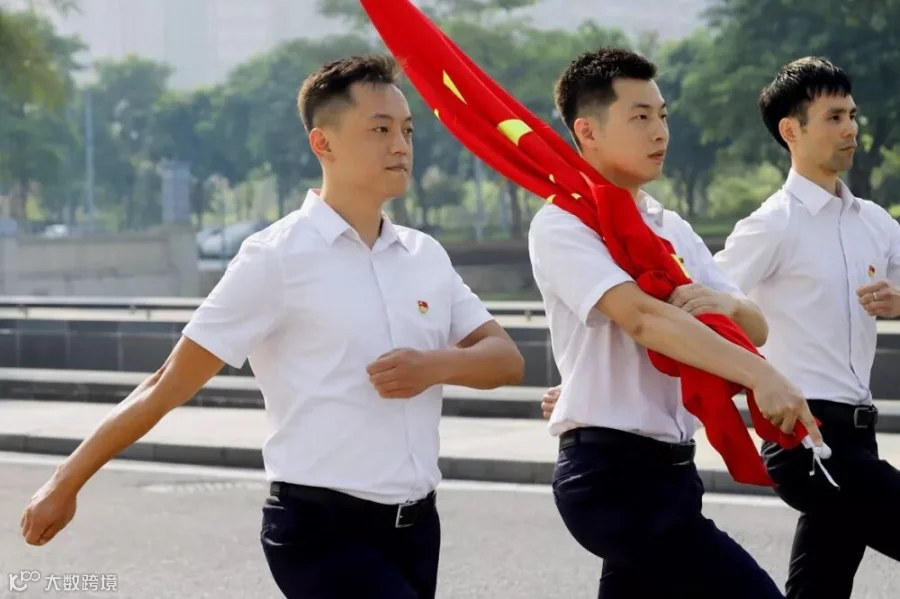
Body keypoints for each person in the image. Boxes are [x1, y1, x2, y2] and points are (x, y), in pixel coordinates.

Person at [19, 54, 525, 599]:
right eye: (380, 130)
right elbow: (166, 383)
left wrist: (434, 366)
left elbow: (506, 360)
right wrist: (64, 482)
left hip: (418, 528)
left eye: (406, 130)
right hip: (319, 529)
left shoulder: (424, 255)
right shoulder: (275, 257)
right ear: (322, 143)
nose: (400, 146)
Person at [527, 47, 822, 598]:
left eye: (662, 115)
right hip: (611, 474)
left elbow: (754, 325)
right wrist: (762, 375)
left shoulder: (670, 227)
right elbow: (642, 319)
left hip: (673, 473)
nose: (659, 131)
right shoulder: (564, 224)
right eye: (639, 117)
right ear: (588, 131)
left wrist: (724, 306)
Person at [712, 56, 900, 599]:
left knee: (819, 588)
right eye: (834, 117)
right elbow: (701, 304)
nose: (851, 129)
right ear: (790, 131)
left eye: (852, 115)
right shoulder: (771, 225)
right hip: (804, 439)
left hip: (858, 437)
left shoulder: (874, 221)